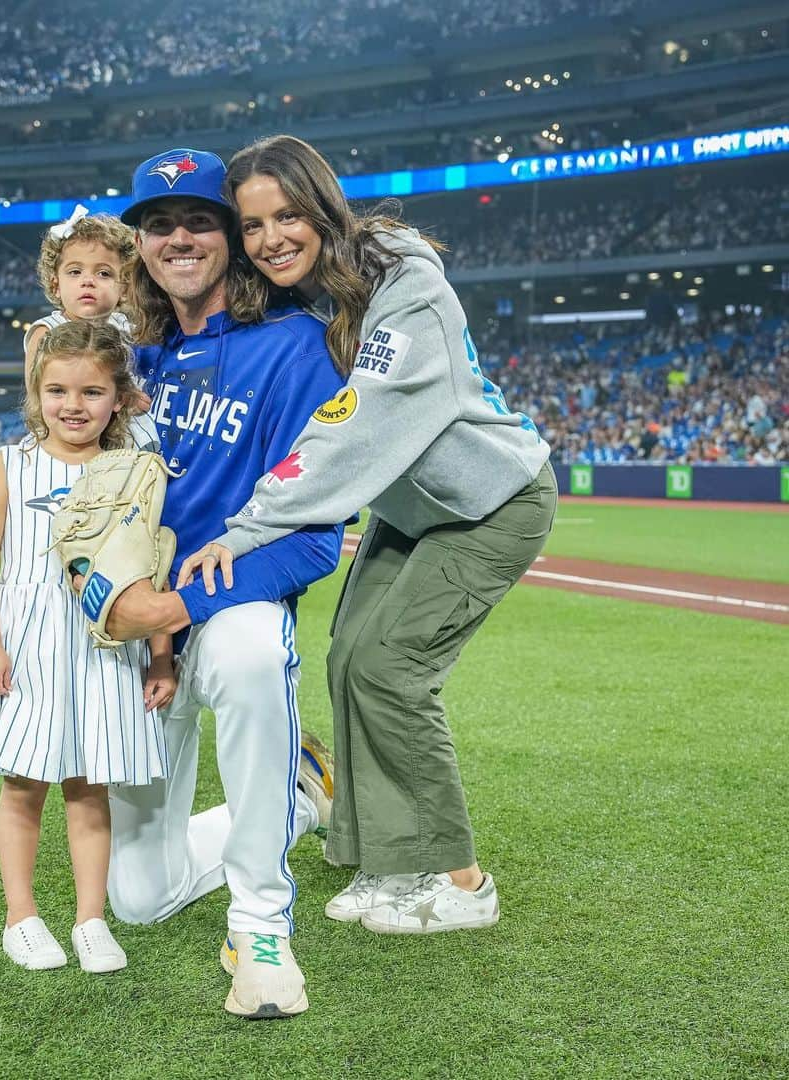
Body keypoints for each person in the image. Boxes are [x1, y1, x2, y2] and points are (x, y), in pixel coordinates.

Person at [177, 135, 558, 937]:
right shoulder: (302, 294)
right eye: (252, 225)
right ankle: (389, 862)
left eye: (287, 215)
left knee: (391, 668)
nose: (271, 238)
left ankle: (460, 879)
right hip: (414, 510)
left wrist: (249, 529)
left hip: (490, 502)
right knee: (351, 657)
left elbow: (354, 427)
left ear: (322, 206)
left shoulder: (405, 284)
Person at [95, 147, 345, 1019]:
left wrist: (183, 603)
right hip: (142, 633)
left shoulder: (295, 348)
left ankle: (262, 926)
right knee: (138, 895)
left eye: (200, 219)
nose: (179, 238)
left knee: (245, 652)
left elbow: (318, 539)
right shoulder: (134, 364)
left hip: (227, 605)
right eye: (158, 225)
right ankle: (299, 790)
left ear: (231, 239)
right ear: (143, 247)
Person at [0, 320, 177, 975]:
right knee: (23, 787)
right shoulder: (10, 464)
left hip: (103, 648)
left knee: (89, 786)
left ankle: (90, 919)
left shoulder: (133, 471)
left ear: (118, 396)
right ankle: (21, 916)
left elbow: (152, 571)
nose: (73, 405)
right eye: (57, 390)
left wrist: (161, 654)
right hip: (27, 647)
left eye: (91, 391)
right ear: (36, 392)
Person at [24, 204, 135, 370]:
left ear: (124, 289)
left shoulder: (127, 330)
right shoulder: (46, 333)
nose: (88, 281)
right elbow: (36, 394)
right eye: (75, 271)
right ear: (56, 286)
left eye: (103, 273)